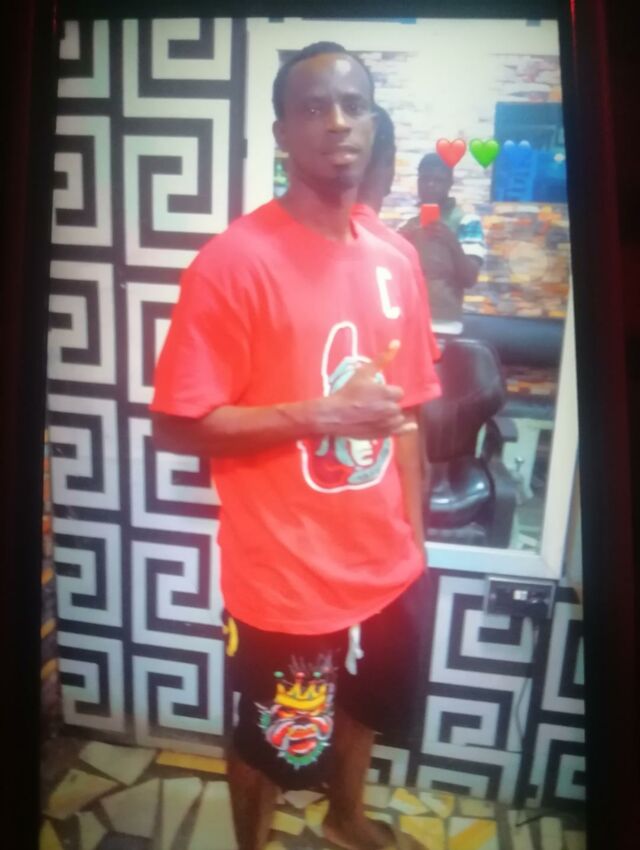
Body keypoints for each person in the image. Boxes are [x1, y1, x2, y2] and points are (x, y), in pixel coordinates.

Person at [151, 41, 441, 850]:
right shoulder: (233, 263)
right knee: (270, 741)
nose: (338, 122)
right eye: (314, 108)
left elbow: (409, 413)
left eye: (354, 105)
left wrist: (415, 540)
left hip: (386, 566)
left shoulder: (397, 260)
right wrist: (321, 416)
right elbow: (175, 424)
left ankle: (345, 818)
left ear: (374, 122)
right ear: (281, 133)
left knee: (364, 706)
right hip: (282, 577)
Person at [352, 104, 441, 365]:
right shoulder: (399, 254)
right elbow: (418, 368)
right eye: (425, 179)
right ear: (389, 163)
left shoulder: (273, 248)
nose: (431, 186)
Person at [399, 152, 486, 327]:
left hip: (444, 322)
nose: (430, 185)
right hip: (409, 320)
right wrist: (400, 242)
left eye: (438, 180)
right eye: (425, 179)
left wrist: (451, 242)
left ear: (449, 184)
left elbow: (470, 279)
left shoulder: (467, 222)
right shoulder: (408, 224)